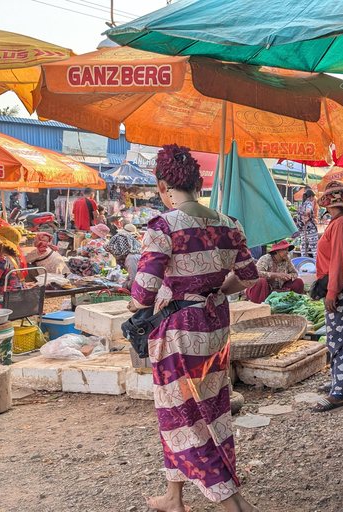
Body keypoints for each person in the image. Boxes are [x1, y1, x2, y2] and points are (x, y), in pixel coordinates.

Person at [129, 144, 260, 512]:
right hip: (215, 328)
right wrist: (213, 288)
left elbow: (143, 294)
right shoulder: (229, 224)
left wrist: (136, 300)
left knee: (185, 416)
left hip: (179, 333)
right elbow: (248, 278)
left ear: (162, 186)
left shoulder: (162, 227)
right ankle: (174, 497)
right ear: (196, 183)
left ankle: (234, 504)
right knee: (208, 408)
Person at [311, 181, 343, 412]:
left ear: (329, 204)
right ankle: (339, 381)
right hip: (342, 279)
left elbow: (339, 260)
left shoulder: (341, 223)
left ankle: (338, 393)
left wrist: (332, 292)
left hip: (339, 281)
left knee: (339, 337)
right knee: (341, 335)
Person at [297, 189, 319, 257]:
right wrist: (308, 217)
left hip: (303, 230)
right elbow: (308, 210)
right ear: (311, 197)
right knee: (315, 249)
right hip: (310, 230)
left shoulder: (301, 203)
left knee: (304, 249)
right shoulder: (308, 203)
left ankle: (304, 263)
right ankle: (316, 264)